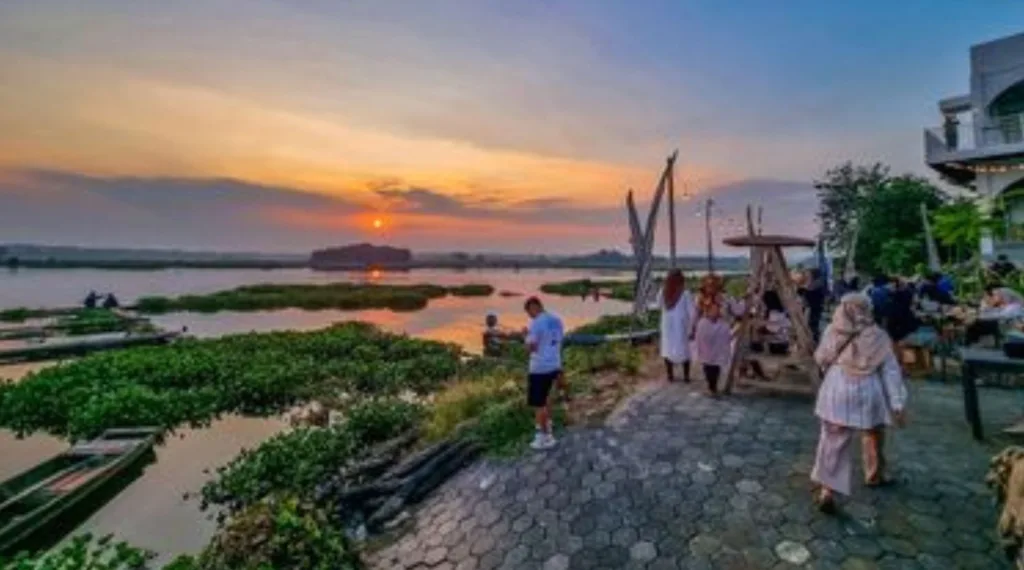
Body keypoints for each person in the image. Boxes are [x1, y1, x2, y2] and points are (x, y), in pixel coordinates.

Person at [810, 293, 908, 514]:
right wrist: (897, 403)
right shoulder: (879, 337)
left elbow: (820, 358)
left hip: (837, 389)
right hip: (868, 390)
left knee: (833, 440)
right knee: (873, 433)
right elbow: (891, 371)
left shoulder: (832, 330)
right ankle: (874, 474)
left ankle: (827, 490)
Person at [522, 297, 564, 450]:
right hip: (554, 364)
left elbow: (531, 348)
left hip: (539, 368)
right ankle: (548, 425)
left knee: (538, 404)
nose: (530, 316)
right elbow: (557, 341)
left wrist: (525, 336)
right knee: (547, 399)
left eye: (529, 312)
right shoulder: (557, 319)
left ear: (534, 307)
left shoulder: (536, 322)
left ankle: (544, 437)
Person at [659, 269, 695, 383]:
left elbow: (659, 305)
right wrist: (692, 327)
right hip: (681, 326)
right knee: (684, 350)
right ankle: (686, 376)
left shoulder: (662, 292)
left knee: (667, 348)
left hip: (667, 325)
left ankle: (670, 376)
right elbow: (692, 312)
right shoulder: (685, 293)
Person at [694, 301, 732, 396]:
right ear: (708, 311)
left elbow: (726, 334)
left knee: (715, 368)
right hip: (706, 351)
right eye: (712, 310)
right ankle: (711, 387)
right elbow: (700, 337)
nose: (715, 312)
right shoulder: (702, 323)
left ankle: (713, 387)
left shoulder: (722, 323)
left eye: (716, 310)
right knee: (707, 368)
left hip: (717, 352)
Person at [800, 269, 827, 345]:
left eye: (809, 274)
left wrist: (803, 289)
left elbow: (809, 292)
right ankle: (813, 340)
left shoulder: (817, 283)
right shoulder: (816, 283)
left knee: (813, 324)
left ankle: (814, 341)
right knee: (812, 324)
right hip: (814, 306)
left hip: (815, 306)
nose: (807, 276)